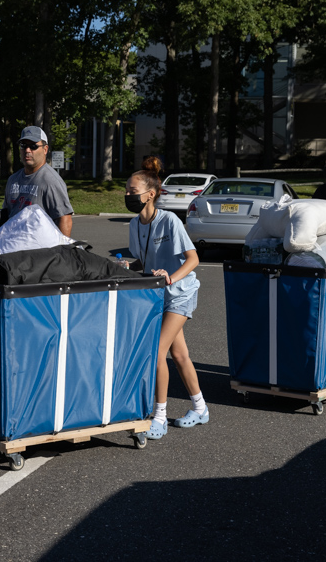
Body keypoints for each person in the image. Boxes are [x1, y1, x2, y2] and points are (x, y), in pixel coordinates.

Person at [125, 156, 206, 440]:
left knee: (156, 352)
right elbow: (142, 261)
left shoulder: (169, 220)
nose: (127, 195)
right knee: (179, 353)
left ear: (150, 194)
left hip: (180, 293)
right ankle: (200, 407)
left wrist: (171, 277)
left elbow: (193, 259)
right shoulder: (135, 224)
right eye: (126, 191)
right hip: (158, 294)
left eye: (132, 192)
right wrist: (129, 266)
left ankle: (158, 416)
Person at [1, 126, 74, 236]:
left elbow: (65, 219)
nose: (27, 150)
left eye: (33, 146)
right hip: (12, 247)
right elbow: (6, 214)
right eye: (23, 146)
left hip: (38, 250)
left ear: (45, 149)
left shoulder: (50, 181)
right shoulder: (13, 180)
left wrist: (61, 250)